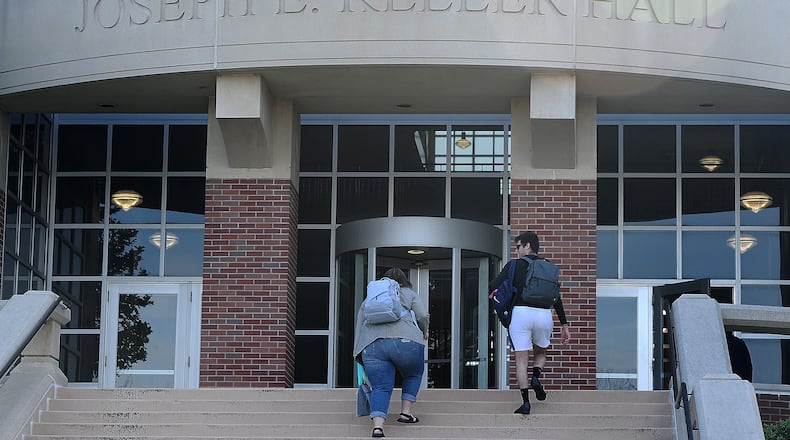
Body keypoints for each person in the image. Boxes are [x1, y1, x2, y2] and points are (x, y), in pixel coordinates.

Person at [488, 231, 571, 415]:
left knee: (521, 360)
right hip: (544, 314)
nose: (517, 251)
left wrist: (502, 301)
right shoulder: (548, 267)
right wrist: (564, 325)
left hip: (521, 313)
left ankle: (526, 403)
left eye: (518, 247)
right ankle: (536, 377)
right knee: (540, 352)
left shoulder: (514, 265)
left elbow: (493, 285)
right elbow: (556, 298)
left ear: (527, 246)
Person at [354, 268, 430, 438]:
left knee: (380, 387)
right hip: (406, 341)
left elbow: (360, 324)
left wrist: (357, 351)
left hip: (373, 344)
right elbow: (422, 315)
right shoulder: (410, 294)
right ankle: (406, 413)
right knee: (413, 374)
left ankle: (378, 427)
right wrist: (425, 330)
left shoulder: (371, 298)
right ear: (404, 280)